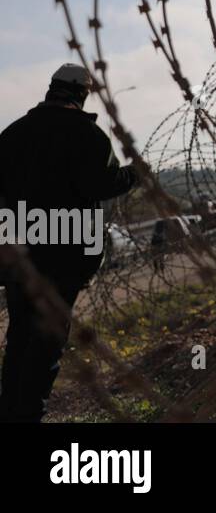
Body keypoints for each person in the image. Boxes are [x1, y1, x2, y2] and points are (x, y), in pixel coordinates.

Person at [0, 64, 144, 422]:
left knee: (19, 335)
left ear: (51, 89)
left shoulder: (12, 134)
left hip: (18, 251)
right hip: (66, 253)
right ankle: (29, 414)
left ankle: (9, 411)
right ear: (83, 94)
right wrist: (136, 173)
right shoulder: (88, 135)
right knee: (47, 339)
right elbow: (103, 184)